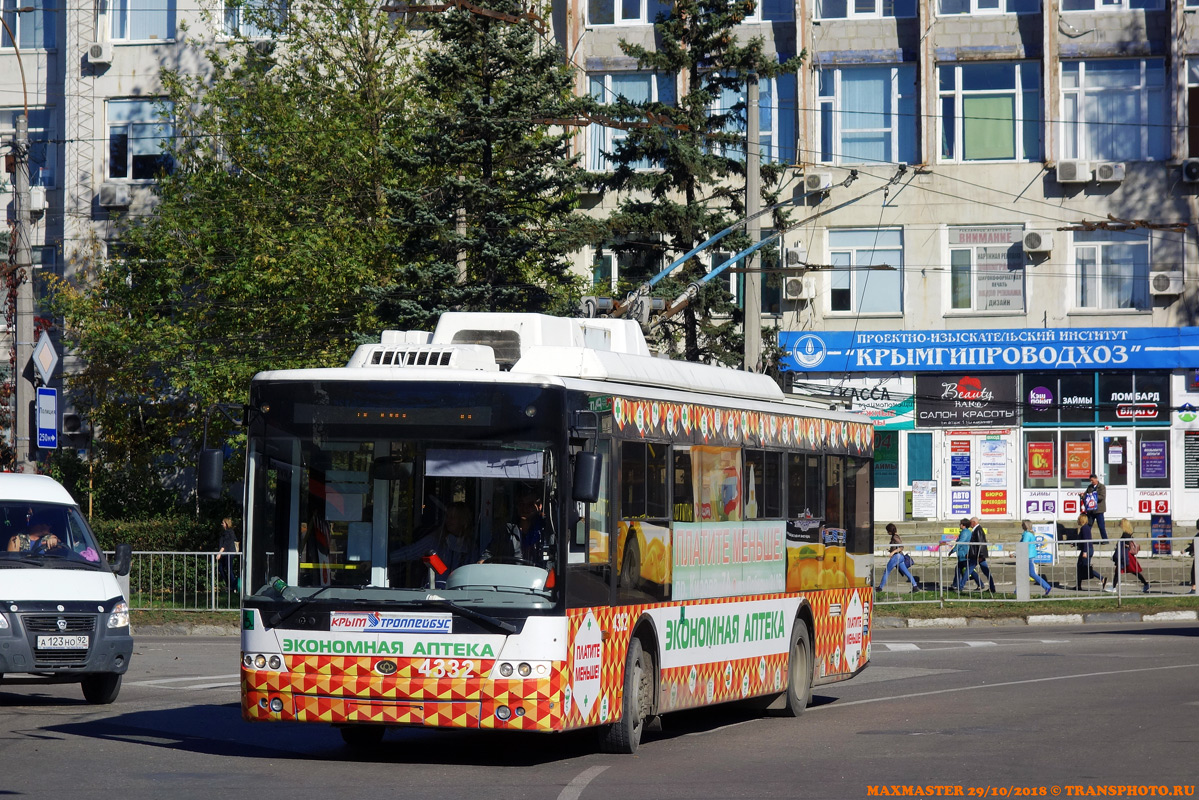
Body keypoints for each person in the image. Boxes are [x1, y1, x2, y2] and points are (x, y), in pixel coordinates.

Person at [1107, 518, 1149, 594]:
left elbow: (1126, 544)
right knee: (1133, 571)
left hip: (1125, 555)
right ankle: (1145, 584)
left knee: (1120, 571)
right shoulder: (1129, 533)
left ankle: (1113, 587)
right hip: (1127, 555)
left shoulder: (1125, 534)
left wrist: (1120, 545)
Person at [876, 522, 919, 593]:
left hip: (897, 557)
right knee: (906, 572)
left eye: (887, 531)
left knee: (886, 571)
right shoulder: (895, 536)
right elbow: (896, 547)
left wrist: (892, 552)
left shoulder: (895, 537)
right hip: (900, 557)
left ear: (890, 531)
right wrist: (890, 550)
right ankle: (915, 586)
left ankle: (880, 588)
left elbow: (901, 547)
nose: (887, 532)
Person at [1019, 520, 1052, 596]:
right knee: (1028, 574)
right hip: (1029, 555)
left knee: (1025, 574)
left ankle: (1046, 586)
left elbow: (1023, 545)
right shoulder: (1030, 534)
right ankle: (1046, 586)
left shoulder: (1027, 534)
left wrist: (1015, 554)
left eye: (1022, 524)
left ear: (1025, 526)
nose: (1021, 526)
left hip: (1027, 556)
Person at [1074, 512, 1105, 592]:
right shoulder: (1085, 528)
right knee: (1080, 566)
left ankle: (1102, 578)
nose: (1077, 521)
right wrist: (1074, 543)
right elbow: (1081, 539)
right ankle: (1078, 585)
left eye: (1078, 519)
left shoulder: (1085, 528)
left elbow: (1086, 541)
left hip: (1087, 550)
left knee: (1086, 568)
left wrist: (1085, 551)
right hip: (1087, 549)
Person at [949, 518, 982, 592]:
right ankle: (955, 584)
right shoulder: (965, 532)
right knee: (959, 569)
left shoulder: (965, 533)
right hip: (963, 553)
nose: (959, 525)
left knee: (969, 570)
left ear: (963, 525)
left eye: (960, 524)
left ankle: (980, 584)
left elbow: (960, 542)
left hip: (964, 554)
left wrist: (953, 550)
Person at [969, 516, 996, 593]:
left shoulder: (978, 530)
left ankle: (960, 586)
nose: (969, 524)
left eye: (970, 522)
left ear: (974, 522)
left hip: (978, 555)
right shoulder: (976, 530)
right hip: (978, 555)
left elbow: (981, 544)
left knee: (969, 570)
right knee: (986, 572)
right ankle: (991, 587)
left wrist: (980, 555)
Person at [1079, 474, 1108, 541]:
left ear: (1096, 479)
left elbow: (1102, 497)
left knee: (1101, 526)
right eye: (1090, 480)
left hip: (1099, 510)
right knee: (1088, 525)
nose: (1091, 482)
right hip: (1091, 510)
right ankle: (1082, 539)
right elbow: (1086, 495)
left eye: (1092, 480)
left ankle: (1105, 540)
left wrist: (1093, 496)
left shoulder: (1102, 487)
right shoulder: (1090, 487)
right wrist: (1082, 496)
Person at [216, 517, 239, 585]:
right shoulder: (225, 532)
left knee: (229, 569)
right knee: (221, 568)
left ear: (226, 524)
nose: (222, 524)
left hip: (228, 553)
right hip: (225, 553)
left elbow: (225, 544)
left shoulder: (229, 532)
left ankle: (233, 585)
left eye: (223, 523)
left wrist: (219, 553)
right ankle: (229, 584)